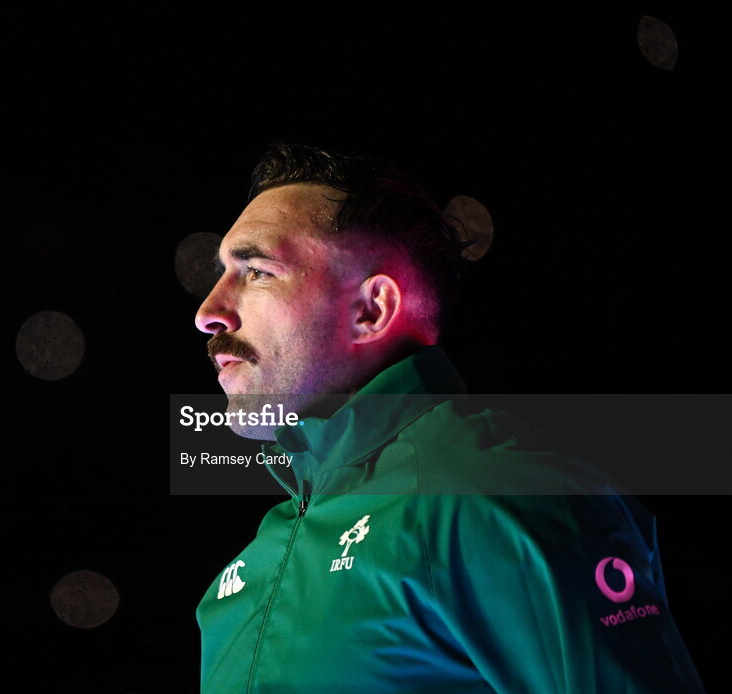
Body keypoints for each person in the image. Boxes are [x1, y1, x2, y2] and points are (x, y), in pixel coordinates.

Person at [192, 141, 704, 693]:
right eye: (222, 272)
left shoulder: (501, 496)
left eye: (258, 271)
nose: (207, 314)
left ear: (371, 309)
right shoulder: (246, 572)